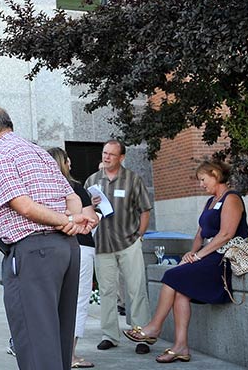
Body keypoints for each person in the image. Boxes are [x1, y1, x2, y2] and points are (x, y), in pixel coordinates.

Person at [0, 105, 97, 370]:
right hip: (66, 249)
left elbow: (23, 206)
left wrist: (66, 221)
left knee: (35, 339)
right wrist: (73, 221)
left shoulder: (0, 155)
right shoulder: (38, 152)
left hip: (33, 251)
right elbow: (72, 196)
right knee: (59, 337)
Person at [123, 159, 248, 364]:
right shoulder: (210, 201)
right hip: (208, 255)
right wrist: (190, 254)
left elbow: (226, 234)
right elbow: (200, 233)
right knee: (181, 289)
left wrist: (198, 256)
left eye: (203, 179)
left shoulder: (231, 198)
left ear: (215, 174)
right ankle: (181, 346)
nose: (201, 184)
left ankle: (154, 326)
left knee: (171, 276)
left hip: (224, 257)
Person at [84, 139, 154, 354]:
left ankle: (142, 335)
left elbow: (144, 209)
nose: (106, 157)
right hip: (102, 244)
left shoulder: (133, 180)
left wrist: (140, 235)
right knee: (106, 291)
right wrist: (91, 206)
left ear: (121, 157)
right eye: (105, 153)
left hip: (128, 242)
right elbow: (84, 212)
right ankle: (110, 336)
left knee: (137, 290)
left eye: (111, 155)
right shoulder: (92, 181)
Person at [49, 147, 98, 369]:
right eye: (68, 160)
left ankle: (52, 351)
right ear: (63, 163)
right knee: (77, 300)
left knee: (53, 300)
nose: (71, 163)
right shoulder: (75, 187)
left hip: (51, 248)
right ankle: (70, 354)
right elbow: (89, 221)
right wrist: (90, 214)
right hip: (81, 248)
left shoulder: (43, 189)